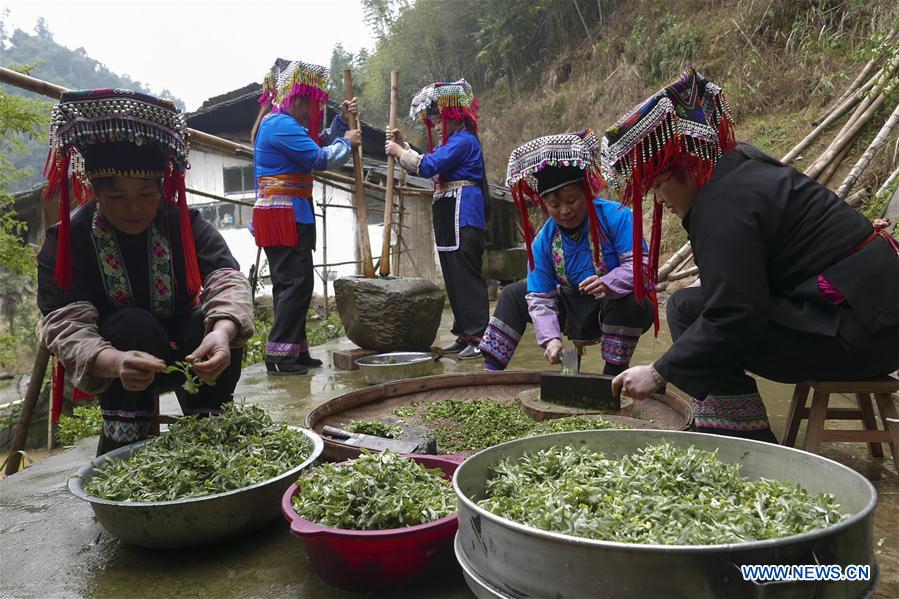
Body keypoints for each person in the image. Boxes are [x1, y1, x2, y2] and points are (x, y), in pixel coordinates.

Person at [602, 67, 899, 442]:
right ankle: (740, 424)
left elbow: (736, 314)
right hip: (876, 319)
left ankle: (749, 438)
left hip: (862, 334)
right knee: (688, 304)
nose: (661, 200)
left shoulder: (720, 203)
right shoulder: (742, 165)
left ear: (689, 167)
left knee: (690, 312)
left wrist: (660, 371)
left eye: (660, 184)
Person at [37, 89, 255, 456]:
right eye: (118, 197)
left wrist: (221, 332)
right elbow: (64, 323)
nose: (134, 208)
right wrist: (116, 361)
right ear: (95, 192)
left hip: (189, 354)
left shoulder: (181, 222)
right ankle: (128, 450)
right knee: (132, 324)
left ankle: (213, 434)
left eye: (146, 194)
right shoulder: (69, 238)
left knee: (210, 321)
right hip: (118, 366)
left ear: (161, 188)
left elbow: (225, 277)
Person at [479, 130, 653, 373]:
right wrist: (551, 339)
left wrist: (609, 283)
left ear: (586, 193)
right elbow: (540, 296)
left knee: (631, 300)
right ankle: (490, 373)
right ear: (544, 205)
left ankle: (613, 373)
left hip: (612, 304)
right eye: (554, 205)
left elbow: (642, 267)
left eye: (572, 200)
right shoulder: (543, 240)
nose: (564, 211)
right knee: (512, 295)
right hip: (571, 305)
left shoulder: (617, 216)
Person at [251, 58, 362, 375]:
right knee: (294, 284)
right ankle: (281, 356)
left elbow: (317, 140)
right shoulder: (279, 125)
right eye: (312, 105)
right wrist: (347, 141)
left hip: (291, 214)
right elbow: (319, 156)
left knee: (294, 283)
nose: (313, 112)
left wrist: (340, 124)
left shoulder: (285, 126)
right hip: (283, 217)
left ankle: (294, 350)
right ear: (298, 99)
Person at [385, 79, 489, 359]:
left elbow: (429, 165)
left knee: (466, 276)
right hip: (447, 213)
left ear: (455, 117)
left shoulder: (464, 141)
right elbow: (432, 167)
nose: (438, 124)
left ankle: (481, 336)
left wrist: (400, 152)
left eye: (442, 119)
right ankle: (465, 332)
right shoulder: (453, 144)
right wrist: (403, 145)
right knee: (453, 276)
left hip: (464, 214)